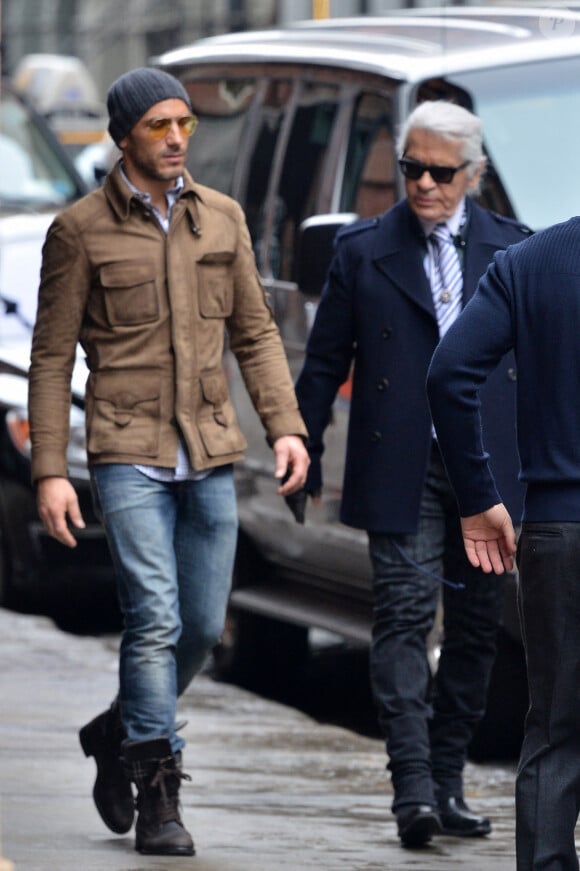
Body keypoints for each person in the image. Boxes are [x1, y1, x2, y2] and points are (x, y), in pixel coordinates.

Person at [28, 67, 309, 858]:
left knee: (200, 625)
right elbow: (50, 360)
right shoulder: (80, 231)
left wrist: (286, 428)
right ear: (124, 136)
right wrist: (52, 468)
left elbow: (255, 333)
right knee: (151, 618)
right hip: (126, 452)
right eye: (159, 125)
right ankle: (158, 793)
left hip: (209, 449)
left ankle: (116, 727)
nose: (178, 136)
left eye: (185, 122)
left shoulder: (220, 219)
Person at [293, 100, 531, 848]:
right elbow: (325, 360)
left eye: (441, 171)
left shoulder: (513, 248)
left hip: (485, 468)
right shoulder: (364, 250)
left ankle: (449, 778)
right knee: (400, 617)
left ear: (474, 174)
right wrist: (299, 445)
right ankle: (414, 790)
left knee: (475, 627)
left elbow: (540, 366)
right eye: (411, 168)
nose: (424, 184)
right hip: (399, 459)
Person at [427, 215, 580, 870]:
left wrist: (479, 496)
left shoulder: (530, 261)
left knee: (554, 726)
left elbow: (450, 372)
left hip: (555, 527)